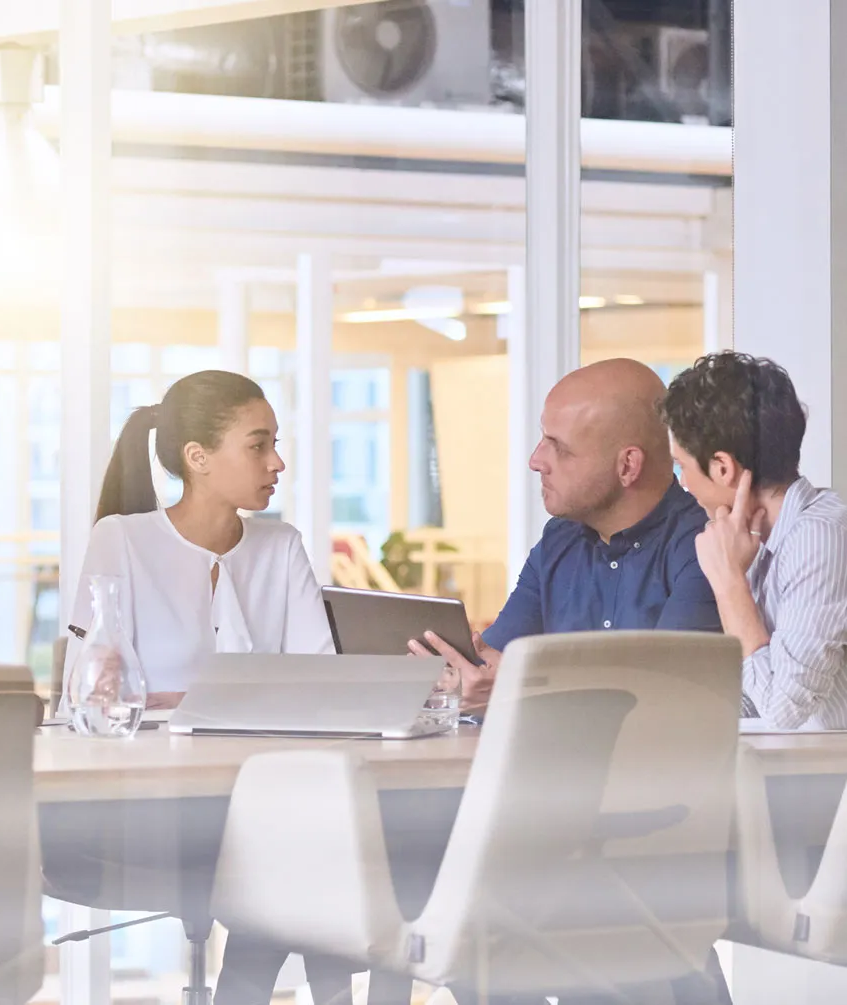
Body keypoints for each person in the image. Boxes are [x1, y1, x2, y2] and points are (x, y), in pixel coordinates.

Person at [62, 370, 352, 1005]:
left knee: (301, 841)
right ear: (197, 458)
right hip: (157, 803)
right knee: (300, 853)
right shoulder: (123, 541)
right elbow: (93, 703)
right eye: (258, 445)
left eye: (275, 443)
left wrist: (180, 699)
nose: (278, 462)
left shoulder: (281, 547)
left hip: (267, 797)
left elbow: (323, 686)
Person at [416, 358, 721, 709]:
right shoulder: (558, 541)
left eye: (558, 447)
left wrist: (517, 688)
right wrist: (458, 675)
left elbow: (666, 694)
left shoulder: (704, 545)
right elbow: (493, 663)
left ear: (627, 466)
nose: (535, 460)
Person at [660, 352, 847, 730]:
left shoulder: (818, 537)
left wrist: (730, 585)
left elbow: (782, 712)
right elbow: (752, 699)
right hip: (801, 775)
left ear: (722, 467)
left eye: (682, 465)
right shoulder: (755, 541)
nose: (682, 483)